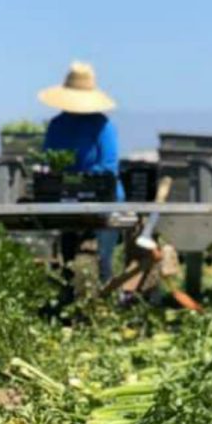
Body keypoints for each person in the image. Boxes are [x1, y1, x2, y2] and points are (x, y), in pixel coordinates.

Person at [39, 61, 124, 285]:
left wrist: (83, 178)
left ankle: (105, 284)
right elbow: (48, 158)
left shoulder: (102, 126)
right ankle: (65, 280)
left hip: (102, 194)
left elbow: (109, 165)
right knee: (64, 243)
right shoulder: (57, 125)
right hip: (64, 194)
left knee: (104, 259)